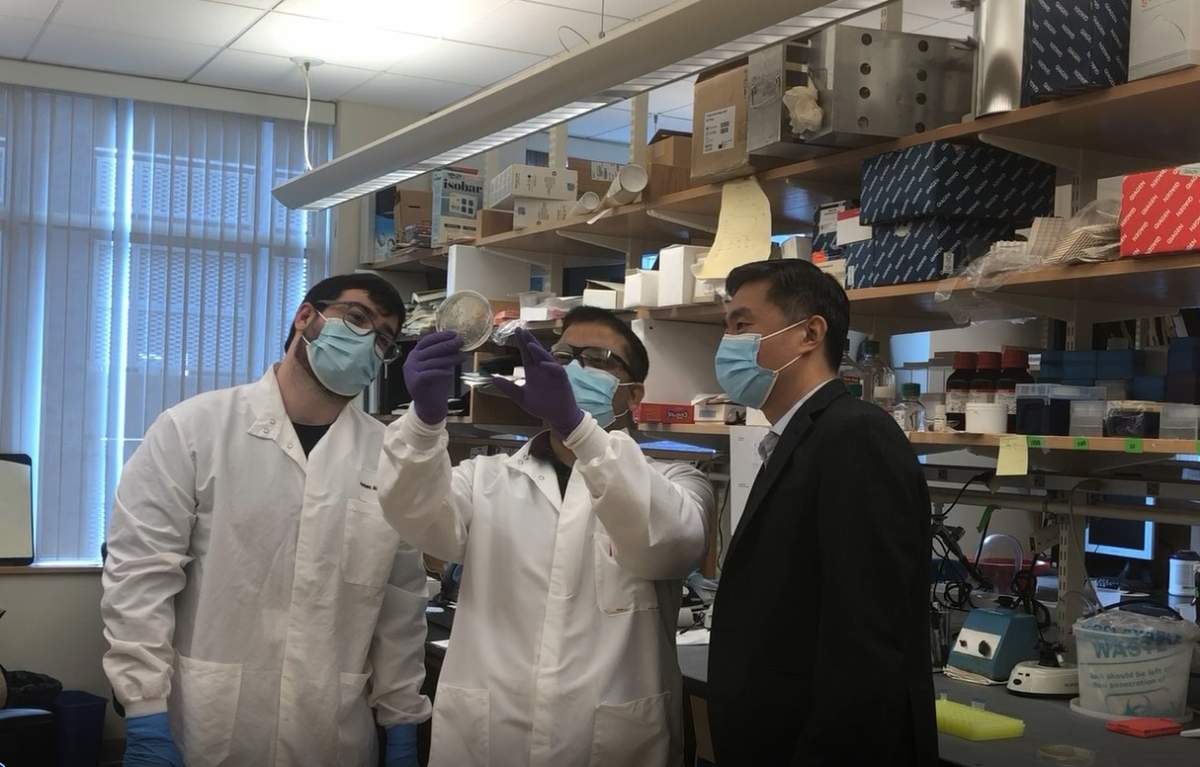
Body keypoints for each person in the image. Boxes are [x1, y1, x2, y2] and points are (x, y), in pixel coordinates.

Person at [102, 273, 432, 767]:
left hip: (330, 730)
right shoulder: (193, 430)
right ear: (306, 317)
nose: (366, 342)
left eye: (383, 339)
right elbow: (140, 579)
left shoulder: (391, 459)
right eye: (357, 318)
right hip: (208, 725)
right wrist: (145, 710)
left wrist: (403, 722)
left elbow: (400, 608)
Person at [378, 306, 714, 766]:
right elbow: (411, 514)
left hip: (612, 742)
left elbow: (669, 546)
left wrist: (578, 427)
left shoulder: (678, 482)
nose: (572, 369)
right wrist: (423, 422)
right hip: (489, 737)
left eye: (596, 359)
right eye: (561, 355)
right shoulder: (486, 479)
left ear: (632, 395)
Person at [706, 260, 938, 766]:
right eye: (726, 327)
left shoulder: (855, 436)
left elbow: (865, 644)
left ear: (810, 332)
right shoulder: (794, 436)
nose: (728, 343)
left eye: (742, 325)